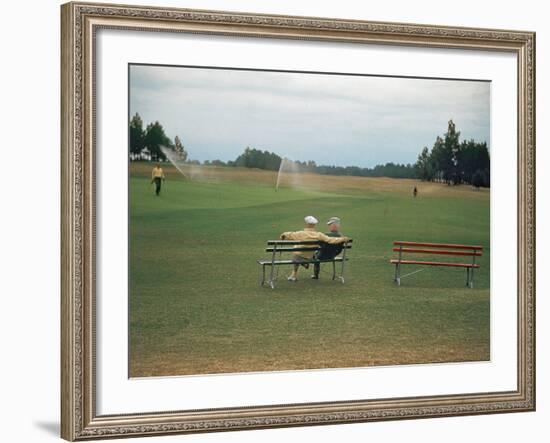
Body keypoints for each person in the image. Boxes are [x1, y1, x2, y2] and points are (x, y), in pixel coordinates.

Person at [280, 216, 350, 282]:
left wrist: (283, 235)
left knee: (296, 251)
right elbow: (331, 240)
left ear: (306, 224)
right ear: (314, 225)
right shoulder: (319, 235)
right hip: (311, 256)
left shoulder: (300, 233)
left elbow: (288, 234)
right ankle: (303, 264)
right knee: (300, 250)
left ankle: (294, 274)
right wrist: (343, 239)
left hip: (301, 257)